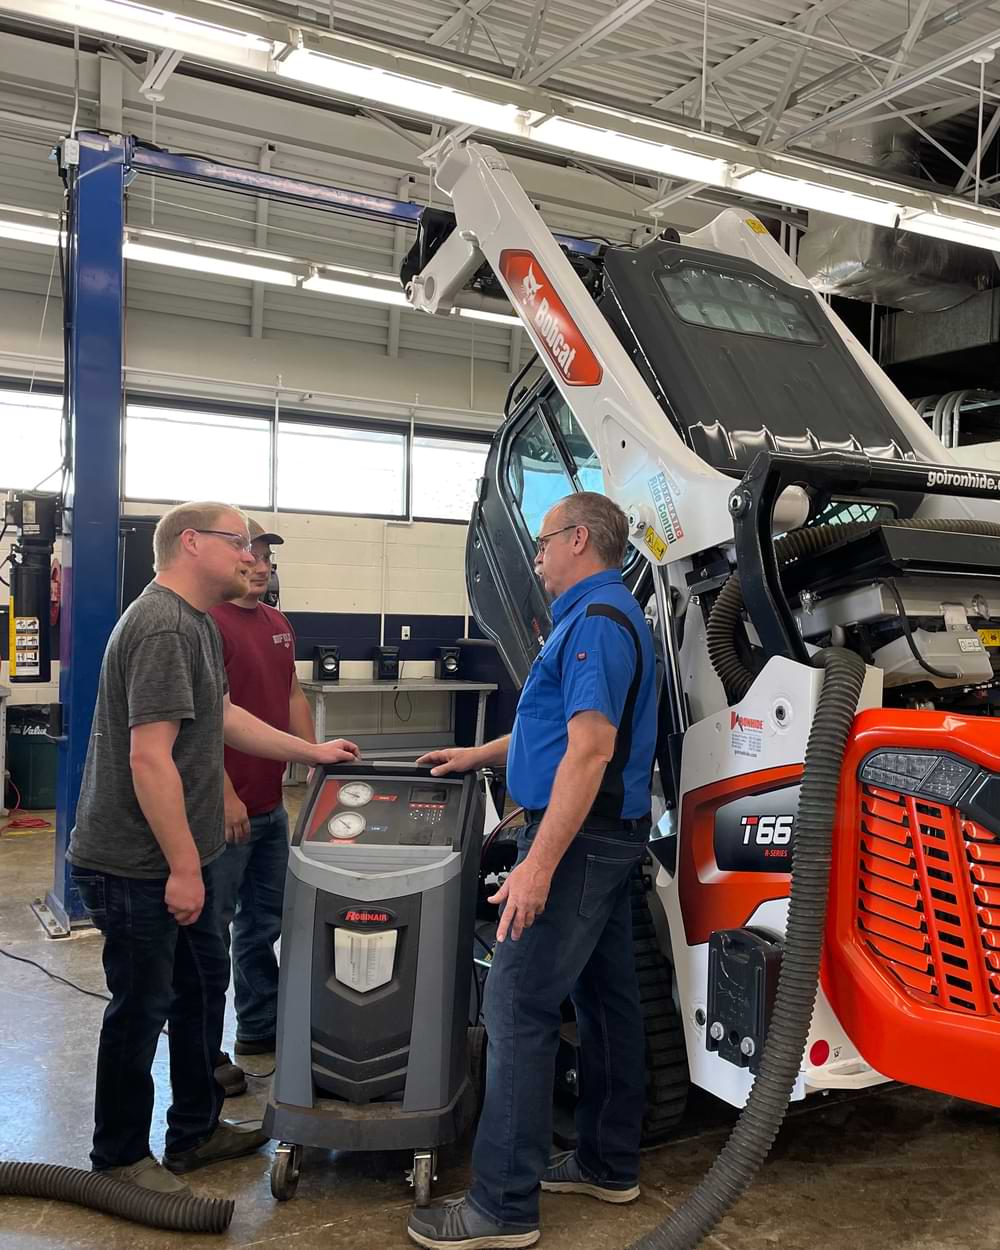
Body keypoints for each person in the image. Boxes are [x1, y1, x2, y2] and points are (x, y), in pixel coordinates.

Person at [67, 501, 360, 1197]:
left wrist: (308, 749)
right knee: (140, 1007)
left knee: (198, 993)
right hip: (134, 864)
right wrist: (184, 867)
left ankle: (195, 1129)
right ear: (191, 543)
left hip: (171, 856)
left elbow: (225, 716)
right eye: (240, 543)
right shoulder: (163, 624)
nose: (252, 557)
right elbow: (149, 760)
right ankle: (119, 1158)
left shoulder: (194, 622)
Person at [408, 492, 657, 1250]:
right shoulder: (603, 616)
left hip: (576, 841)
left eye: (545, 542)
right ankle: (608, 1163)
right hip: (608, 837)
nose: (538, 556)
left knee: (517, 1004)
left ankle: (502, 1208)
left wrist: (538, 865)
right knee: (609, 998)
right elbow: (552, 727)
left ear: (579, 539)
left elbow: (589, 750)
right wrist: (482, 756)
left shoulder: (598, 624)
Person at [210, 518, 314, 1080]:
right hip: (227, 810)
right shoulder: (208, 625)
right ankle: (207, 1049)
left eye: (267, 559)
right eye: (249, 556)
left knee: (265, 922)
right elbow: (205, 722)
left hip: (272, 807)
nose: (260, 566)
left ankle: (257, 1026)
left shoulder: (277, 623)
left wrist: (316, 758)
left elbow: (292, 690)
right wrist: (224, 792)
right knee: (213, 928)